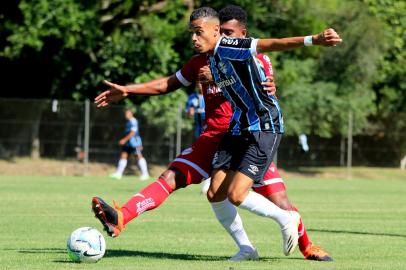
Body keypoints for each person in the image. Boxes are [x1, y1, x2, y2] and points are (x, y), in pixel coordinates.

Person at [92, 5, 340, 261]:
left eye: (229, 32)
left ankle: (307, 246)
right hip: (217, 136)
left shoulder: (246, 55)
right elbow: (168, 83)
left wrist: (310, 45)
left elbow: (264, 76)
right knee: (180, 179)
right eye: (220, 31)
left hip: (251, 132)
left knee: (278, 199)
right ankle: (123, 217)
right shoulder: (201, 61)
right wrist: (129, 90)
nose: (224, 35)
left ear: (240, 34)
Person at [187, 6, 341, 257]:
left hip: (263, 125)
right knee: (214, 192)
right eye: (191, 33)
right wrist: (213, 78)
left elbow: (271, 44)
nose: (194, 38)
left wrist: (313, 40)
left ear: (215, 31)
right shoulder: (211, 60)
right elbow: (237, 81)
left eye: (198, 32)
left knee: (237, 195)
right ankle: (247, 249)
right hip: (239, 126)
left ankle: (286, 218)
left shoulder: (230, 46)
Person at [110, 109, 150, 181]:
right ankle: (118, 174)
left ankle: (145, 174)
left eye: (127, 114)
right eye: (125, 114)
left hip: (134, 142)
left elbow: (133, 132)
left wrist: (124, 140)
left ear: (131, 114)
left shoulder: (133, 121)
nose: (126, 115)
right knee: (123, 155)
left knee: (138, 156)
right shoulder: (128, 122)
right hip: (129, 142)